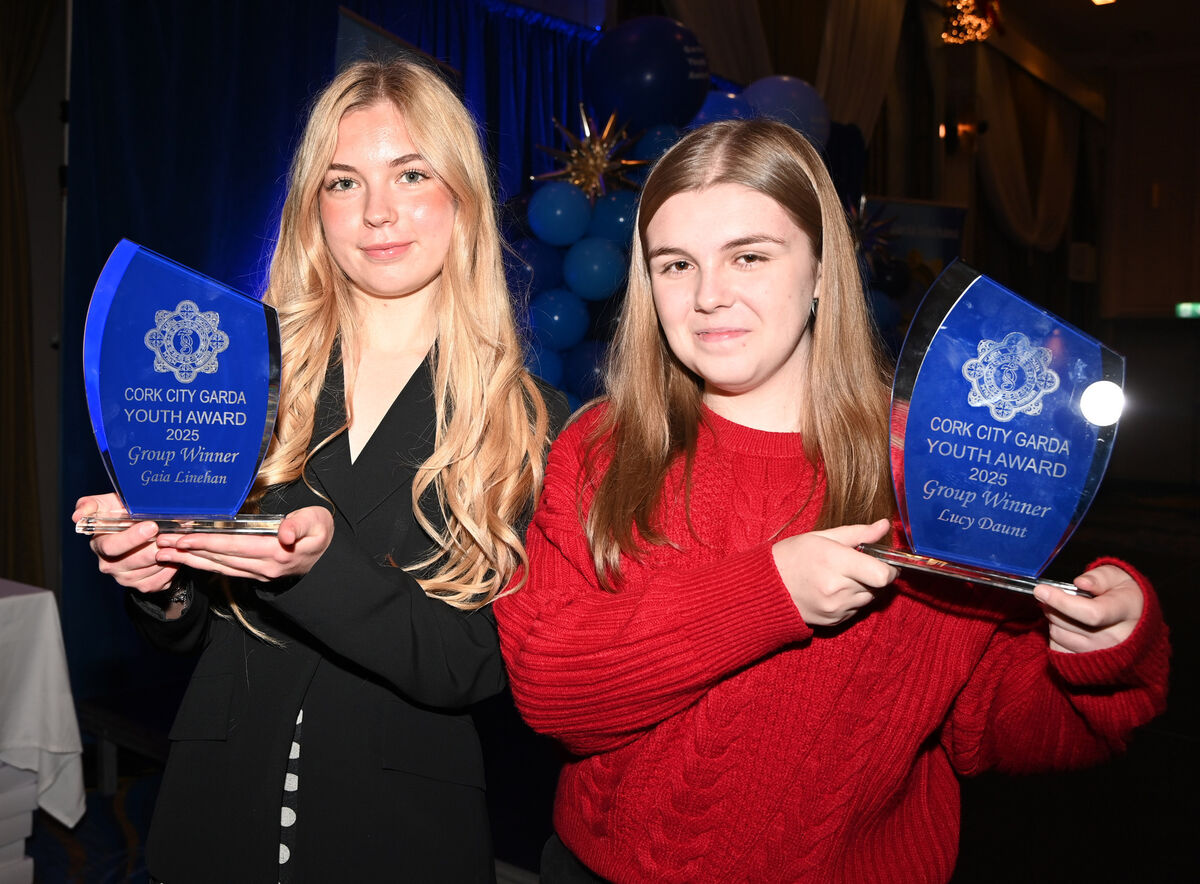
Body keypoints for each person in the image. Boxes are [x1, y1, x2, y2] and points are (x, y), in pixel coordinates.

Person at [494, 118, 1170, 884]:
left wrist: (1102, 652)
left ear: (821, 269)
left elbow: (1008, 729)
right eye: (676, 264)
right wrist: (767, 591)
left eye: (749, 256)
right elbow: (551, 692)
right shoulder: (602, 450)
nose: (710, 296)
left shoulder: (933, 466)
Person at [73, 56, 565, 883]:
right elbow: (191, 634)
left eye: (410, 173)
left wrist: (315, 568)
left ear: (463, 196)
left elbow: (474, 666)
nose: (377, 212)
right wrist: (158, 578)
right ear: (314, 209)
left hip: (400, 840)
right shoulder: (245, 372)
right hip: (210, 821)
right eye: (343, 183)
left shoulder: (528, 419)